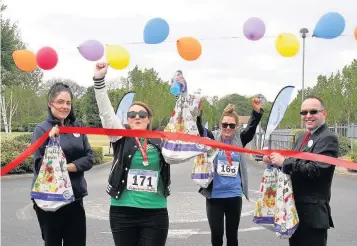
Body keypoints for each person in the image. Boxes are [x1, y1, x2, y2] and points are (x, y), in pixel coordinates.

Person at [93, 62, 171, 246]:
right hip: (123, 211)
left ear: (149, 119)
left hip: (155, 211)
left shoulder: (161, 137)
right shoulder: (120, 136)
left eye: (142, 114)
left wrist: (183, 95)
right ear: (126, 119)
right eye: (132, 114)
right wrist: (99, 80)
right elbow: (106, 113)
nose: (137, 117)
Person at [264, 96, 338, 246]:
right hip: (294, 211)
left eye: (313, 111)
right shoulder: (302, 137)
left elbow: (316, 170)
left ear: (324, 113)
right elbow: (294, 166)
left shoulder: (328, 138)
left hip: (313, 216)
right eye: (304, 112)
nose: (308, 116)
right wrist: (275, 162)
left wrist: (284, 162)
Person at [31, 82, 94, 246]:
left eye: (68, 102)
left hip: (75, 196)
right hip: (50, 199)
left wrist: (65, 168)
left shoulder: (77, 127)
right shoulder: (41, 129)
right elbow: (40, 166)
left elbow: (89, 158)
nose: (65, 106)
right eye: (60, 102)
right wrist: (51, 140)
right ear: (50, 103)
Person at [196, 99, 263, 246]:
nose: (227, 128)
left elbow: (251, 128)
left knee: (232, 237)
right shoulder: (213, 137)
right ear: (220, 125)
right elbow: (200, 130)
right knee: (217, 236)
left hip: (233, 195)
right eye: (225, 124)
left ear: (236, 127)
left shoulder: (240, 139)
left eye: (231, 125)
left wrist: (256, 112)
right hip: (215, 196)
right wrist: (198, 114)